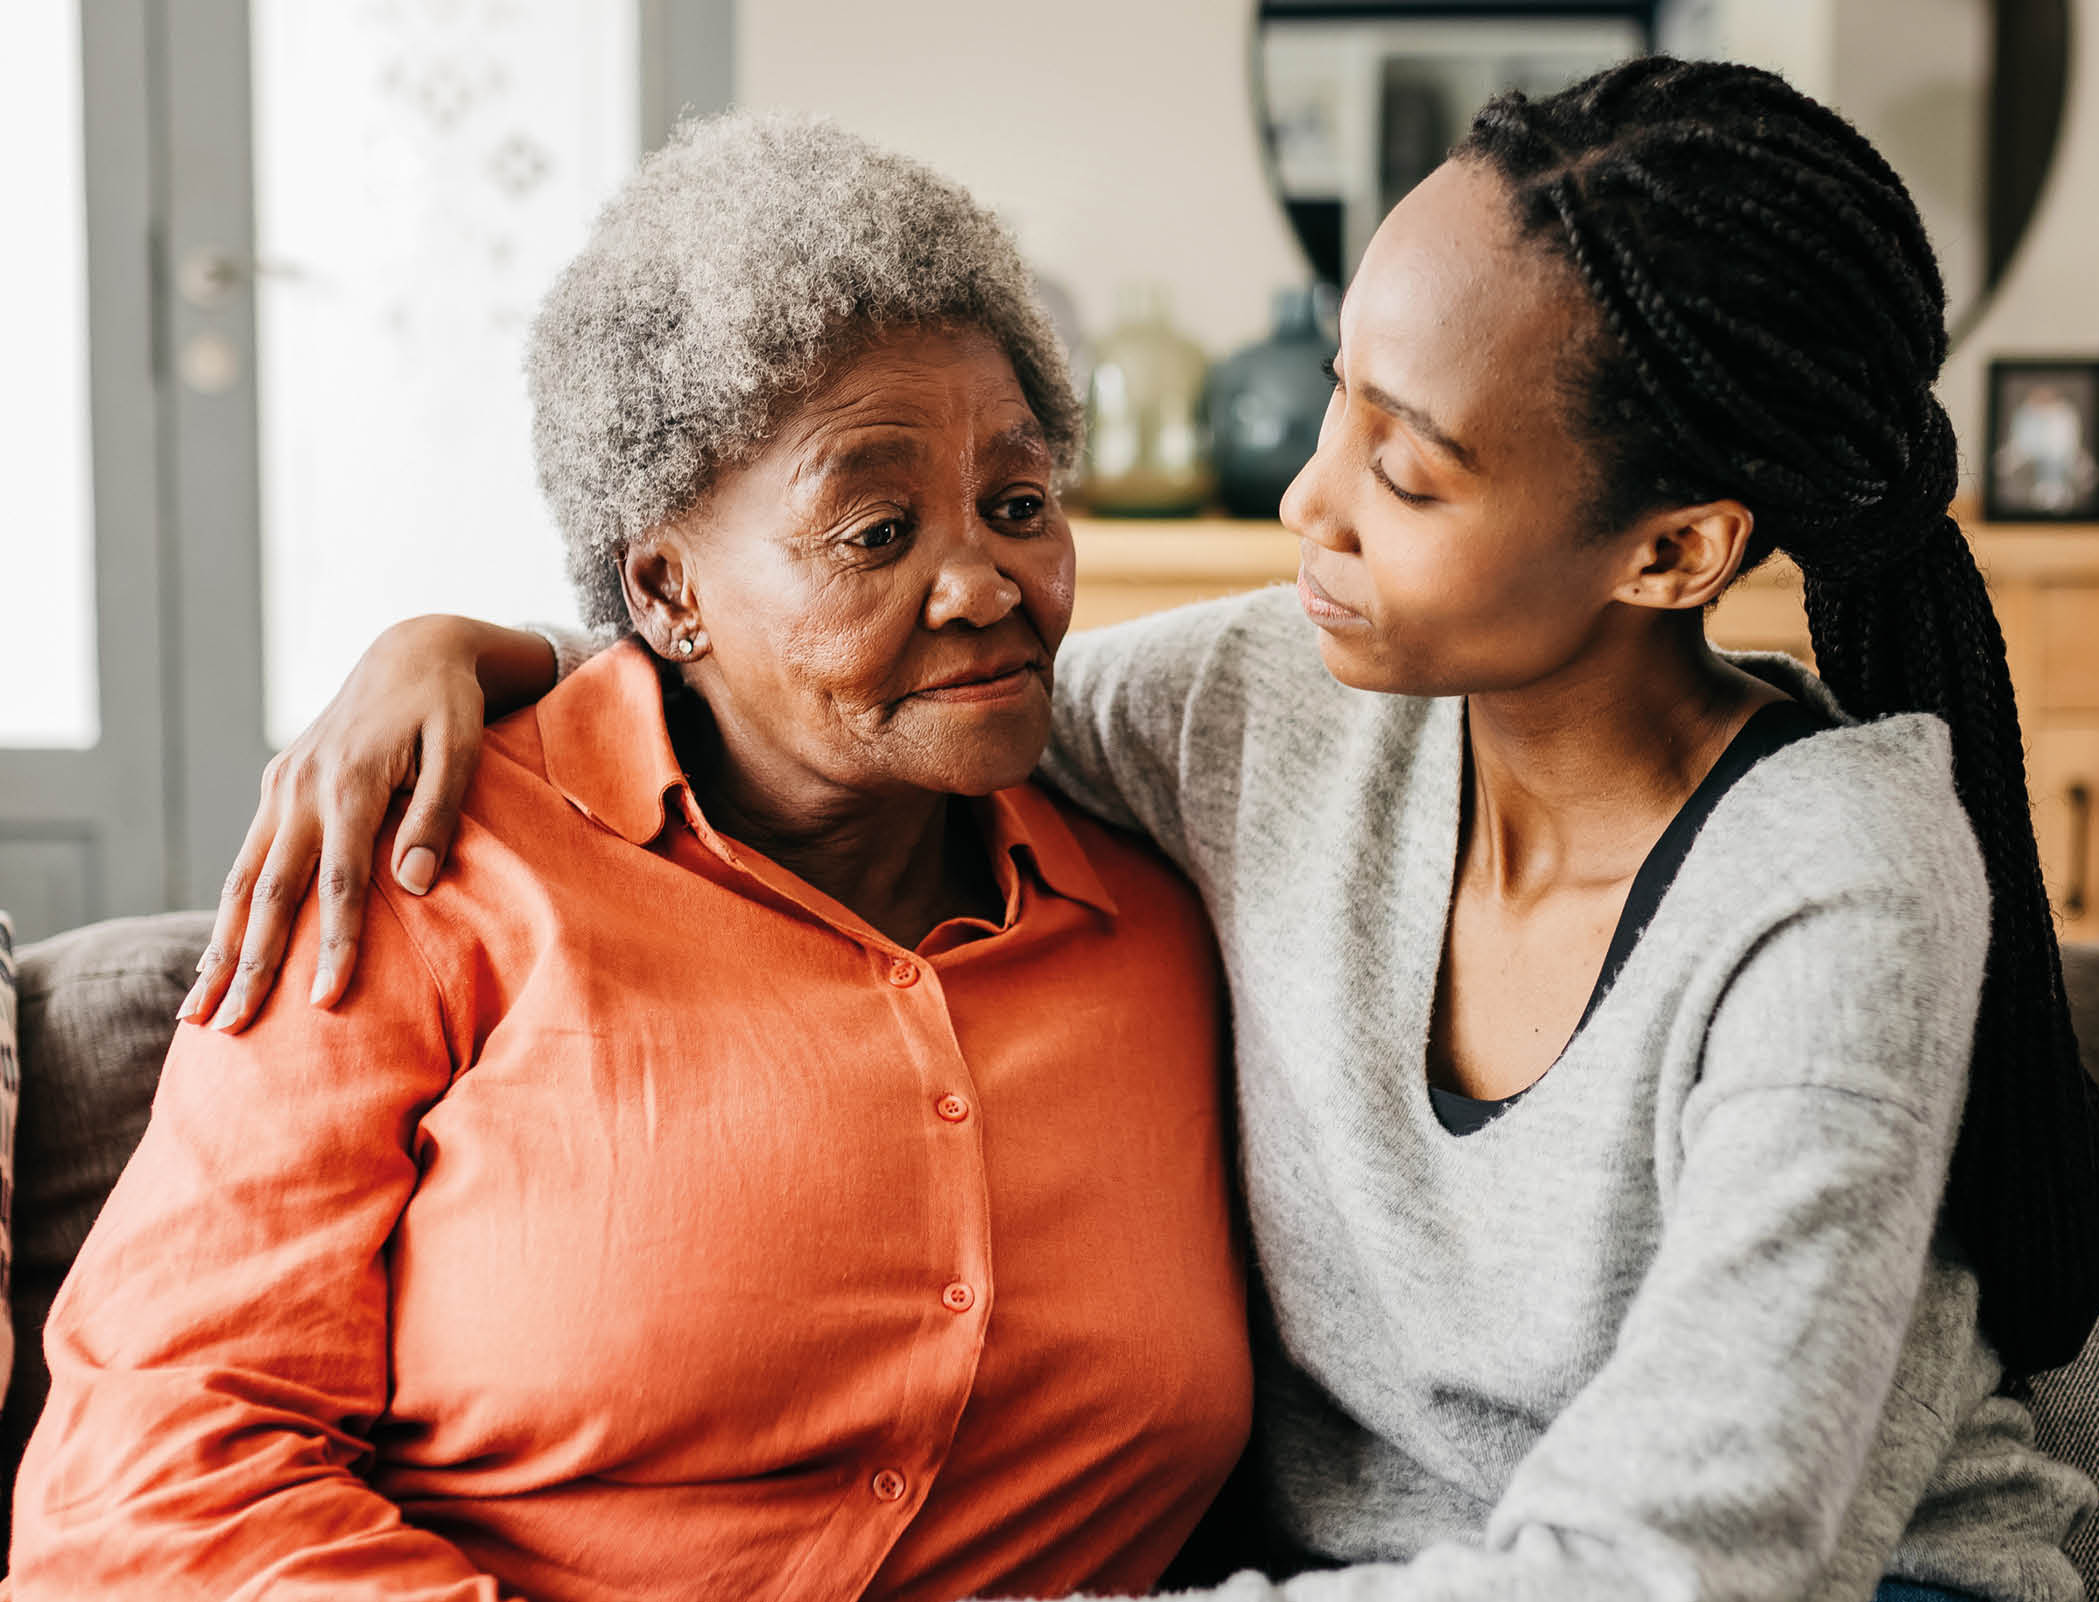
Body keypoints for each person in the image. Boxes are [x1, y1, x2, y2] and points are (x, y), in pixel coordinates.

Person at [180, 59, 2099, 1602]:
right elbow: (843, 697)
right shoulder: (1268, 708)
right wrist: (483, 647)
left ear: (1675, 549)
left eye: (1407, 465)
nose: (1306, 499)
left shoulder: (1837, 879)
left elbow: (1684, 1563)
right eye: (1334, 395)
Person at [9, 116, 1254, 1601]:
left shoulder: (1176, 913)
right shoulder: (423, 866)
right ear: (665, 587)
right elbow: (147, 1480)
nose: (984, 582)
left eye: (1018, 503)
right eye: (874, 530)